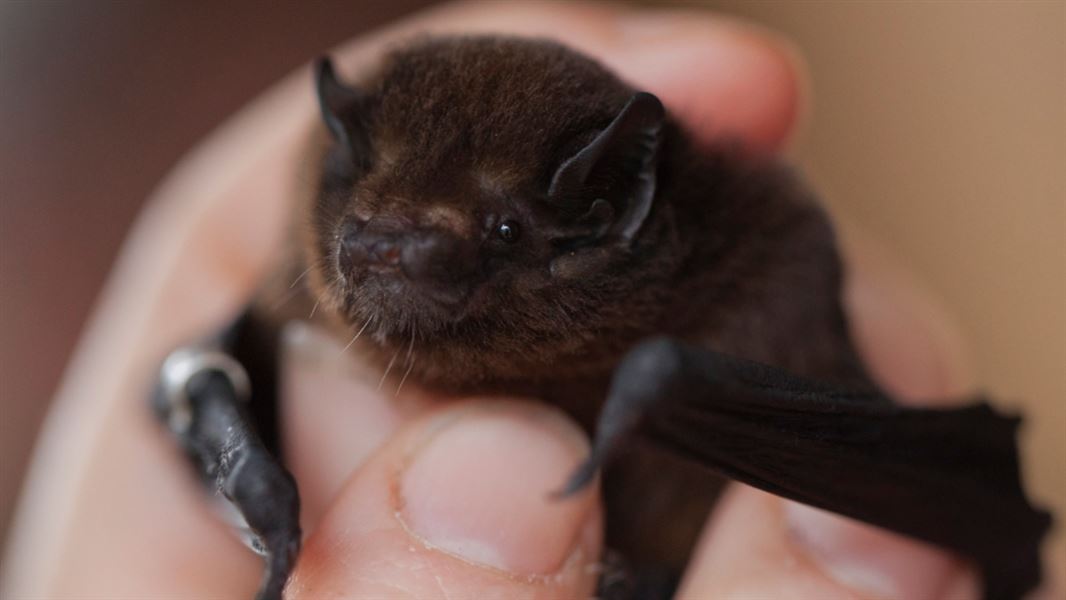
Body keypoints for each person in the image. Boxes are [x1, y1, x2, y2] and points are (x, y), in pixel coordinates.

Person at [4, 3, 1055, 598]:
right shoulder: (285, 301)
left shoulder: (753, 274)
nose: (388, 251)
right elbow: (194, 384)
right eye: (368, 212)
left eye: (499, 233)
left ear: (617, 208)